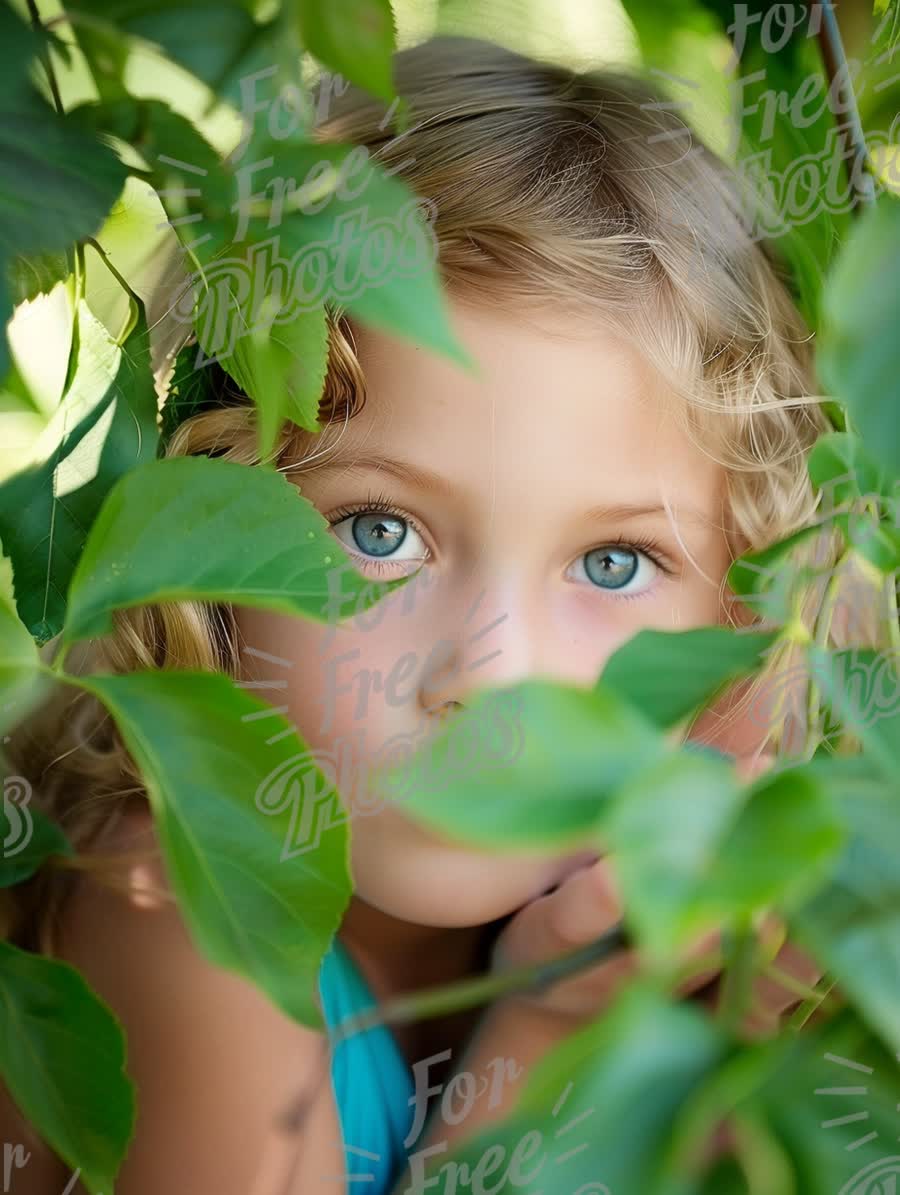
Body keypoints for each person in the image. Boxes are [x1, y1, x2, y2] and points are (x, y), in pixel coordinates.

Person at [2, 32, 876, 1195]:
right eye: (378, 535)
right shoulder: (171, 896)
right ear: (207, 521)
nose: (488, 672)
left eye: (614, 564)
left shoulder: (682, 942)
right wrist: (541, 1045)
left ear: (747, 600)